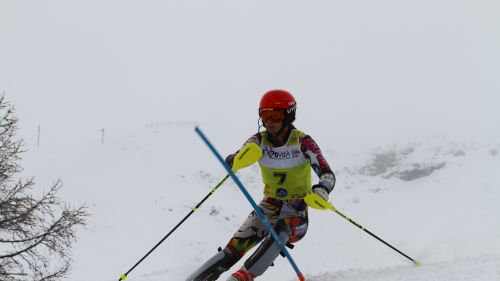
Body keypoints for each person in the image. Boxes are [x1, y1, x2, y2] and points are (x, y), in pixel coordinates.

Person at [186, 89, 336, 281]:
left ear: (288, 115)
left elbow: (327, 174)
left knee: (280, 232)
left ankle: (241, 277)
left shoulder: (302, 142)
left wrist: (322, 189)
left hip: (296, 209)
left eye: (275, 115)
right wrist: (235, 161)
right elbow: (235, 157)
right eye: (264, 115)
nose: (269, 121)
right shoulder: (259, 140)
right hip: (269, 205)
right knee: (233, 249)